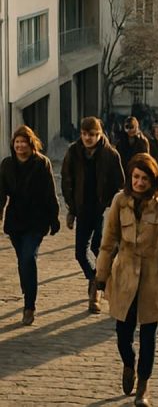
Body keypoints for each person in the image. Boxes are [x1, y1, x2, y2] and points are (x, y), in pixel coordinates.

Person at [95, 153, 158, 406]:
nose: (139, 182)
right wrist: (101, 275)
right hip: (124, 277)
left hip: (152, 279)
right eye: (136, 177)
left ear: (153, 180)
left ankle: (143, 386)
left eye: (145, 178)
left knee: (148, 336)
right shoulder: (120, 202)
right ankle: (128, 363)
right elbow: (108, 241)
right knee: (123, 334)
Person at [62, 116, 125, 313]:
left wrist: (113, 206)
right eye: (84, 134)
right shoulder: (74, 152)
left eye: (92, 134)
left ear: (99, 134)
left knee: (100, 248)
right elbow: (66, 179)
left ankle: (96, 292)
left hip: (103, 209)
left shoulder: (110, 154)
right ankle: (94, 280)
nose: (87, 138)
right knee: (80, 253)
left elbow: (120, 183)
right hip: (83, 208)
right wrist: (72, 208)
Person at [0, 126, 61, 326]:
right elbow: (1, 193)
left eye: (23, 142)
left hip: (36, 220)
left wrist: (54, 218)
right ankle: (28, 286)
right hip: (15, 221)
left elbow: (50, 192)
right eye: (17, 142)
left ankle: (29, 306)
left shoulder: (41, 163)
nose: (20, 146)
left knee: (28, 258)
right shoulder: (7, 164)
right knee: (22, 261)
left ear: (30, 143)